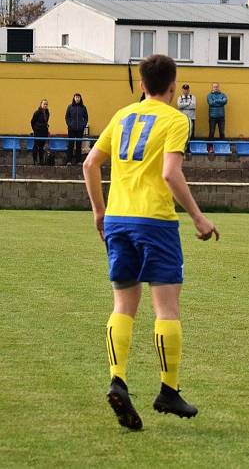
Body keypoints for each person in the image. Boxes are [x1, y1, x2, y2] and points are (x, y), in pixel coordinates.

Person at [82, 54, 219, 431]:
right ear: (173, 86)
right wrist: (199, 218)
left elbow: (90, 164)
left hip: (117, 220)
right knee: (166, 308)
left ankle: (118, 379)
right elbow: (171, 173)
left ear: (141, 84)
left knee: (123, 304)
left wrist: (99, 211)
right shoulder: (175, 119)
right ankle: (168, 389)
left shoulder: (122, 115)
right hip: (155, 222)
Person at [65, 93, 89, 165]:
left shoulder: (83, 107)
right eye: (76, 97)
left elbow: (86, 118)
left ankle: (78, 161)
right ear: (74, 98)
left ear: (80, 98)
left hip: (80, 129)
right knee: (71, 144)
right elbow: (67, 117)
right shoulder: (70, 107)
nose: (77, 98)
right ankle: (69, 161)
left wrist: (83, 125)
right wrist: (70, 124)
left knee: (79, 145)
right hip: (71, 129)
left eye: (78, 97)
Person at [30, 99, 50, 165]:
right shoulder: (37, 112)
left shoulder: (47, 112)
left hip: (44, 132)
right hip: (38, 132)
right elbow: (32, 121)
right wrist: (35, 129)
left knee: (42, 146)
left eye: (46, 104)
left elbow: (46, 121)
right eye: (44, 104)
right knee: (36, 145)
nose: (45, 105)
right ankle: (35, 160)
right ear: (41, 104)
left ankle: (41, 161)